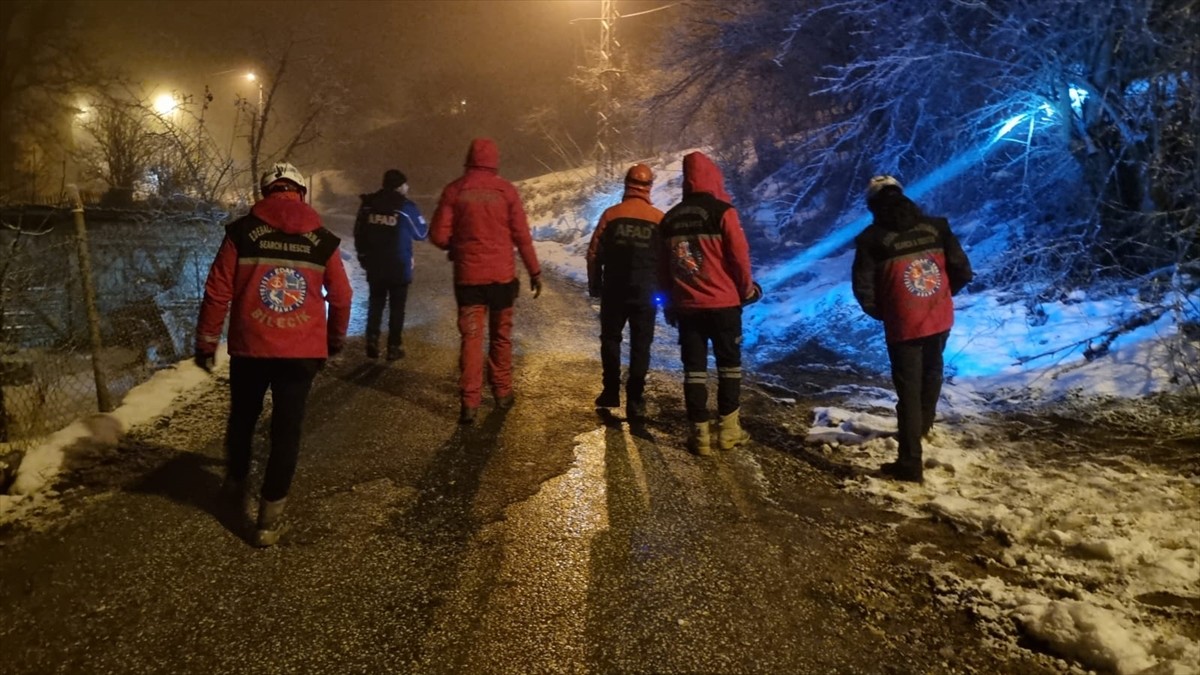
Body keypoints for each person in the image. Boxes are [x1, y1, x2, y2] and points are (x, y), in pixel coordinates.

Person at [194, 161, 352, 546]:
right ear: (301, 192)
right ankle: (268, 519)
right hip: (301, 354)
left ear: (265, 193)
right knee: (287, 432)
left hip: (251, 348)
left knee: (243, 419)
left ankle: (234, 485)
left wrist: (207, 342)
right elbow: (343, 296)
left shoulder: (242, 232)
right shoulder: (322, 238)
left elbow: (218, 291)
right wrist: (334, 340)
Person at [852, 175, 973, 483]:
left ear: (872, 205)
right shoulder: (937, 227)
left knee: (908, 391)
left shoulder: (871, 239)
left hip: (904, 323)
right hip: (939, 316)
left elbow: (863, 287)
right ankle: (922, 428)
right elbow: (962, 270)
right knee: (932, 372)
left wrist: (886, 312)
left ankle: (910, 462)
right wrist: (942, 297)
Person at [430, 138, 542, 424]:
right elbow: (521, 236)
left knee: (471, 338)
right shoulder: (506, 191)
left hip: (469, 281)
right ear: (495, 160)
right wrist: (534, 271)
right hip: (503, 280)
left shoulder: (455, 190)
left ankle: (470, 402)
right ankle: (503, 392)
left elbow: (439, 235)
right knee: (501, 336)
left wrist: (458, 246)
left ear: (469, 158)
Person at [658, 151, 761, 456]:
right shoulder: (723, 212)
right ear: (713, 176)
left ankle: (699, 435)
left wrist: (670, 301)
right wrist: (746, 291)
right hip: (724, 306)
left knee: (694, 370)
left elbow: (662, 269)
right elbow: (739, 258)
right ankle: (729, 432)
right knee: (729, 367)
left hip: (688, 307)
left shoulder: (670, 219)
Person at [586, 163, 664, 421]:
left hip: (614, 290)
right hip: (646, 292)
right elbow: (667, 259)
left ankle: (610, 391)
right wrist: (665, 292)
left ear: (626, 184)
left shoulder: (611, 214)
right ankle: (635, 398)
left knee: (610, 339)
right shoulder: (659, 219)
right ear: (649, 186)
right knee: (642, 345)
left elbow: (594, 254)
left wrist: (595, 285)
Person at [354, 169, 428, 360]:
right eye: (405, 184)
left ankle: (372, 339)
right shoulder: (405, 206)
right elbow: (421, 234)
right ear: (399, 186)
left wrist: (363, 256)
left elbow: (359, 232)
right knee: (397, 307)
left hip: (375, 264)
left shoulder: (369, 205)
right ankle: (394, 346)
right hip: (398, 266)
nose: (408, 187)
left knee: (376, 303)